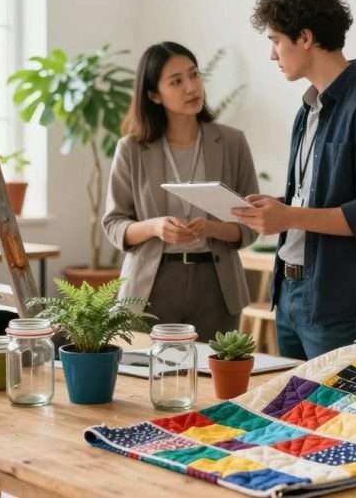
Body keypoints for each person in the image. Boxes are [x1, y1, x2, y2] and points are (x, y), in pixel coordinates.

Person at [233, 0, 356, 360]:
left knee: (341, 418)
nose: (271, 55)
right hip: (291, 294)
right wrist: (278, 208)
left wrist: (290, 215)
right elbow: (320, 197)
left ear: (306, 37)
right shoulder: (307, 109)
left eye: (276, 41)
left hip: (341, 303)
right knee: (293, 419)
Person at [102, 42, 260, 339]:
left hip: (217, 284)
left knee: (214, 382)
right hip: (150, 284)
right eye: (176, 81)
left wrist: (212, 228)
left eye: (194, 75)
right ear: (153, 95)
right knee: (146, 380)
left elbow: (251, 224)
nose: (191, 87)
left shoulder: (231, 142)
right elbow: (113, 224)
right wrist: (155, 227)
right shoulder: (132, 149)